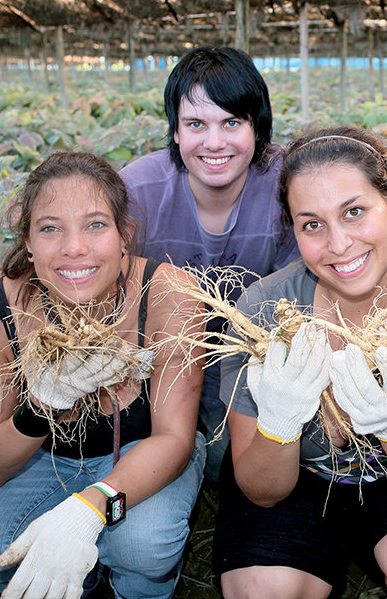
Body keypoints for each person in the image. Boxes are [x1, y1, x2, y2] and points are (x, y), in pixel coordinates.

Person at [213, 126, 387, 599]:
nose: (339, 243)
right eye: (312, 225)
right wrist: (281, 420)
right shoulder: (264, 309)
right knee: (265, 589)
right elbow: (262, 490)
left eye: (354, 212)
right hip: (298, 475)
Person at [0, 151, 205, 599]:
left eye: (95, 225)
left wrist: (90, 511)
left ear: (123, 236)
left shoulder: (170, 294)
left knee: (144, 547)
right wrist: (40, 410)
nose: (74, 247)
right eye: (51, 228)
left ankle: (134, 584)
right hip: (44, 460)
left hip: (144, 452)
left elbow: (174, 439)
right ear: (29, 242)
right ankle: (75, 565)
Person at [121, 45, 298, 481]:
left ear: (257, 127)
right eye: (195, 124)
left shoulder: (289, 183)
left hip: (252, 353)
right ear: (176, 131)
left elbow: (309, 295)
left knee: (226, 467)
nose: (214, 143)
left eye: (231, 123)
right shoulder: (136, 191)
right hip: (160, 355)